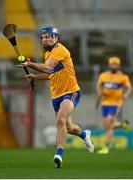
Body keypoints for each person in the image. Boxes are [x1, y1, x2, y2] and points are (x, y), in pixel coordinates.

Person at [17, 26, 94, 168]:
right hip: (56, 95)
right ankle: (84, 134)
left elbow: (47, 67)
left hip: (71, 92)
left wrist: (30, 64)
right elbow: (49, 74)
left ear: (56, 38)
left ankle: (59, 154)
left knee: (60, 119)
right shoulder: (49, 55)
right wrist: (35, 76)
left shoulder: (60, 50)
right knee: (69, 127)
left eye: (49, 36)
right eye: (43, 37)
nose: (45, 39)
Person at [96, 56, 132, 154]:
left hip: (116, 103)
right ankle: (123, 125)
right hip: (105, 103)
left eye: (116, 64)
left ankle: (106, 147)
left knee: (109, 125)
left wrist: (126, 94)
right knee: (106, 126)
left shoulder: (123, 77)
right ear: (109, 65)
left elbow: (129, 88)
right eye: (112, 64)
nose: (114, 66)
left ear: (118, 66)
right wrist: (99, 92)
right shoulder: (103, 76)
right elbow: (99, 85)